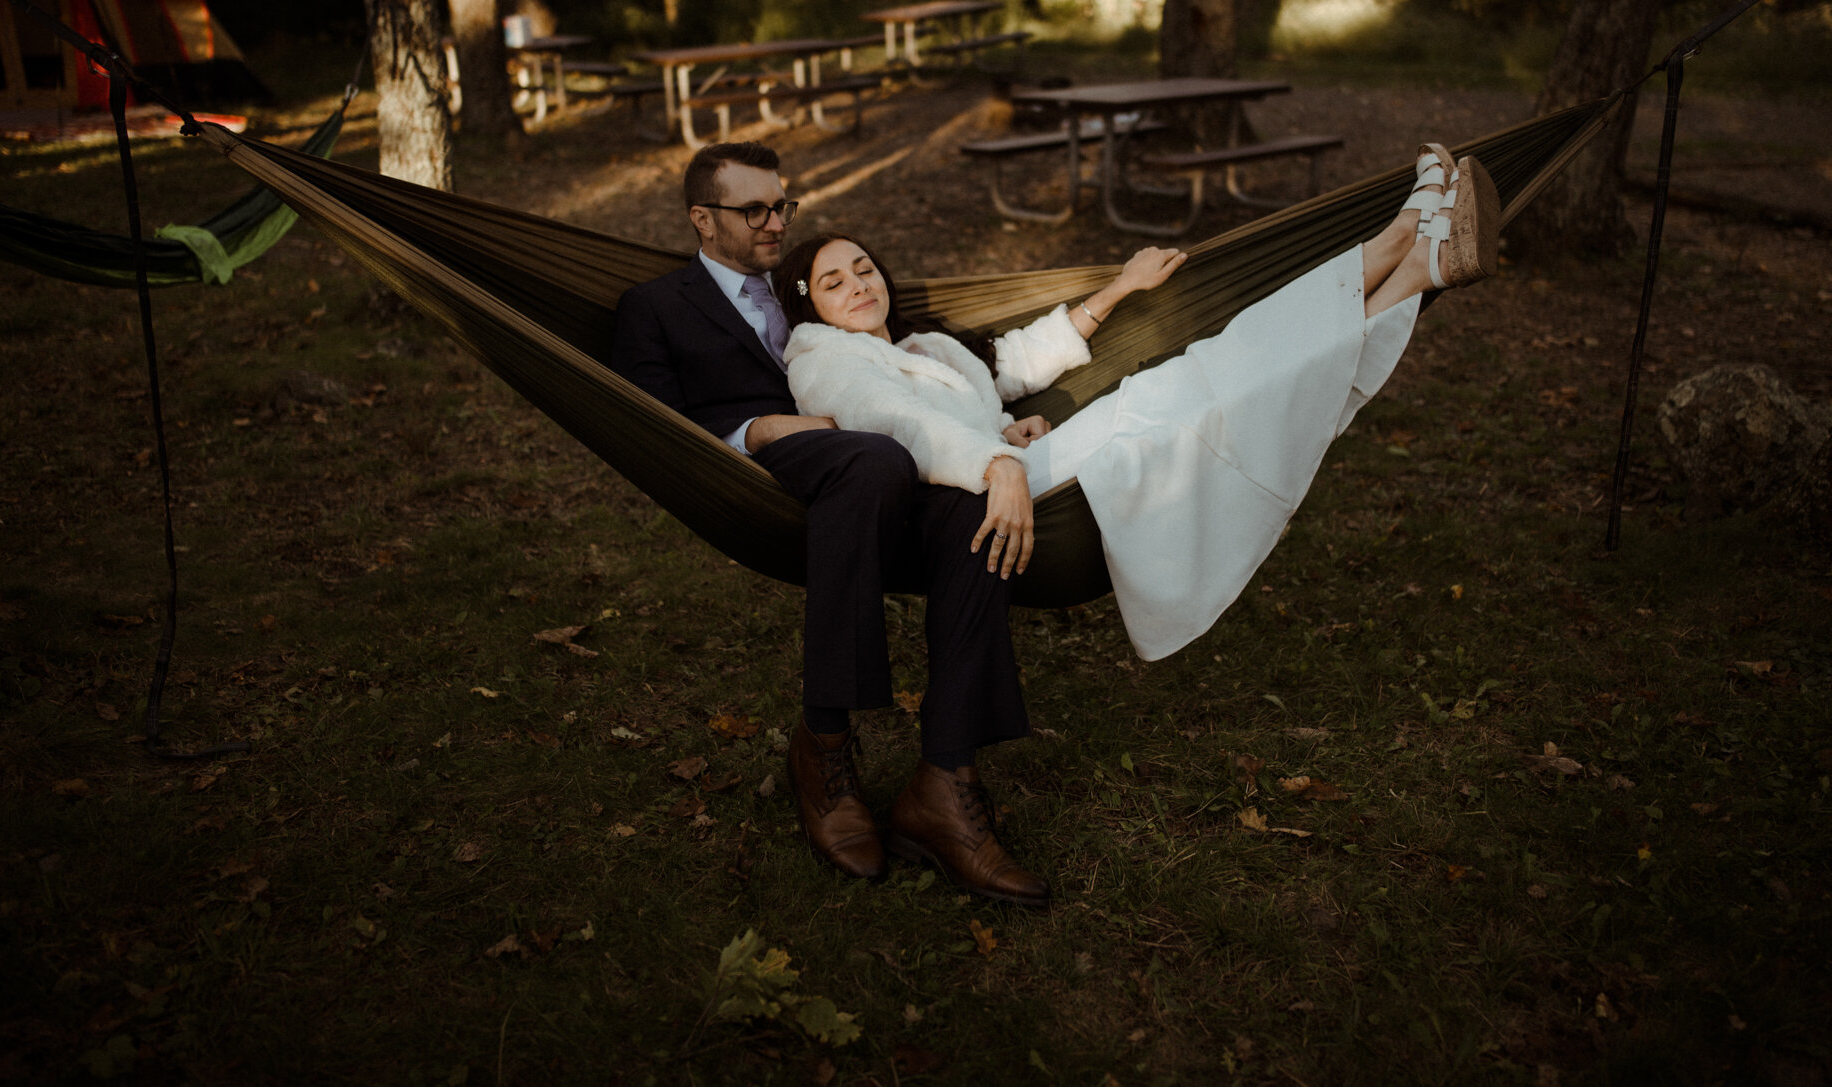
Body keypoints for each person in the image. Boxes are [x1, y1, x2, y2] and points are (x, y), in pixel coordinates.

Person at [775, 144, 1499, 659]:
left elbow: (1009, 366)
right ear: (809, 309)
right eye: (835, 282)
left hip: (1028, 463)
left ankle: (1414, 263)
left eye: (864, 267)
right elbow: (896, 425)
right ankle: (1408, 245)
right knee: (1206, 390)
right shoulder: (822, 358)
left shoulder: (923, 346)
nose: (860, 285)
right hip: (1007, 492)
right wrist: (996, 458)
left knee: (1213, 373)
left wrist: (1117, 292)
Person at [610, 141, 1051, 908]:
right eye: (755, 209)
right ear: (701, 220)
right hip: (762, 468)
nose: (775, 221)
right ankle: (824, 744)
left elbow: (943, 361)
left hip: (878, 469)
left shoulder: (811, 285)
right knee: (874, 458)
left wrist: (991, 428)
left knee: (966, 504)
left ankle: (945, 781)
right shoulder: (656, 307)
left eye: (783, 204)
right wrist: (764, 430)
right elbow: (654, 427)